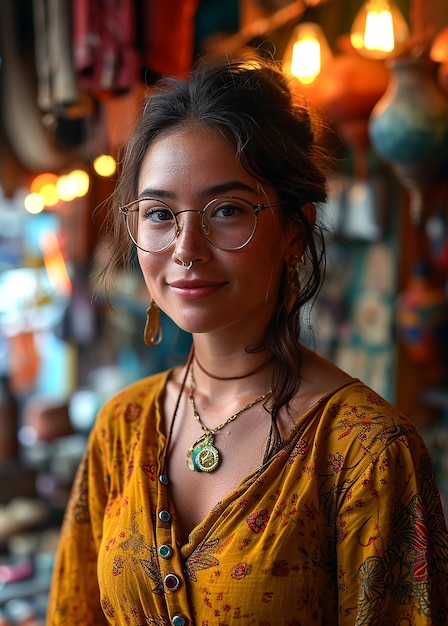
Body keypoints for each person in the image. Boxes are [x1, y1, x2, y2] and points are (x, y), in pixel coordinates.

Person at [47, 55, 448, 625]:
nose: (186, 247)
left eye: (227, 210)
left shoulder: (366, 453)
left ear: (294, 227)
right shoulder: (122, 428)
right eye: (160, 213)